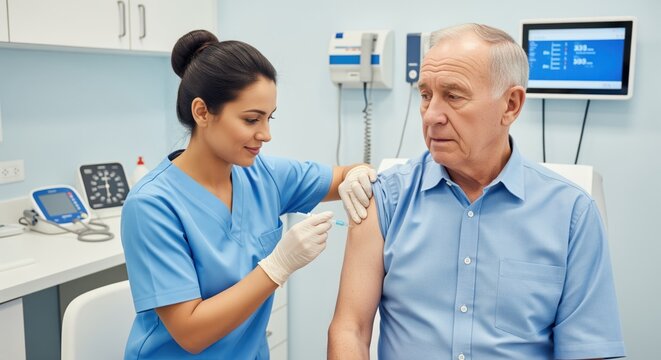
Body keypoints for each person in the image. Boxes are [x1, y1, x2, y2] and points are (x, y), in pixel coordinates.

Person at [328, 23, 625, 360]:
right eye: (425, 95)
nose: (432, 115)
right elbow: (350, 329)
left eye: (453, 96)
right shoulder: (385, 199)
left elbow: (587, 351)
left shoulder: (572, 214)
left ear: (511, 105)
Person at [120, 29, 376, 359]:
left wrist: (356, 174)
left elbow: (342, 175)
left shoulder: (262, 175)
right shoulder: (152, 206)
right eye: (251, 119)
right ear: (202, 113)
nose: (265, 134)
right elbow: (191, 333)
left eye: (269, 118)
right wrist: (277, 267)